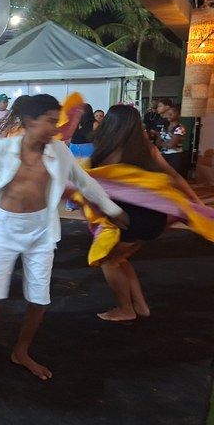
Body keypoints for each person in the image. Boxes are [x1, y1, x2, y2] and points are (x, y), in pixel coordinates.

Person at [0, 94, 128, 380]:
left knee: (39, 297)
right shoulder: (1, 149)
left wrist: (111, 208)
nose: (56, 128)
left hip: (41, 231)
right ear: (30, 121)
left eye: (57, 121)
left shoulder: (59, 151)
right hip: (5, 229)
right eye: (51, 121)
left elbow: (85, 182)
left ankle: (21, 351)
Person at [87, 104, 206, 321]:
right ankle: (140, 306)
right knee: (121, 259)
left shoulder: (108, 153)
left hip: (128, 221)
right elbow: (177, 178)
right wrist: (198, 204)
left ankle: (125, 309)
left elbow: (96, 191)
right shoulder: (148, 150)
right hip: (153, 219)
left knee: (109, 262)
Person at [65, 103, 97, 211]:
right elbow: (68, 140)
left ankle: (87, 203)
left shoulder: (94, 124)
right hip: (74, 149)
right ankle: (72, 203)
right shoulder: (75, 122)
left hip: (87, 149)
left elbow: (99, 139)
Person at [156, 104, 186, 174]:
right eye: (168, 113)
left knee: (172, 176)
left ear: (179, 115)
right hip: (163, 155)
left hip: (175, 156)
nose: (169, 115)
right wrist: (165, 143)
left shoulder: (180, 128)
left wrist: (162, 143)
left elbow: (171, 145)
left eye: (172, 113)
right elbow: (157, 143)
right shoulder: (165, 126)